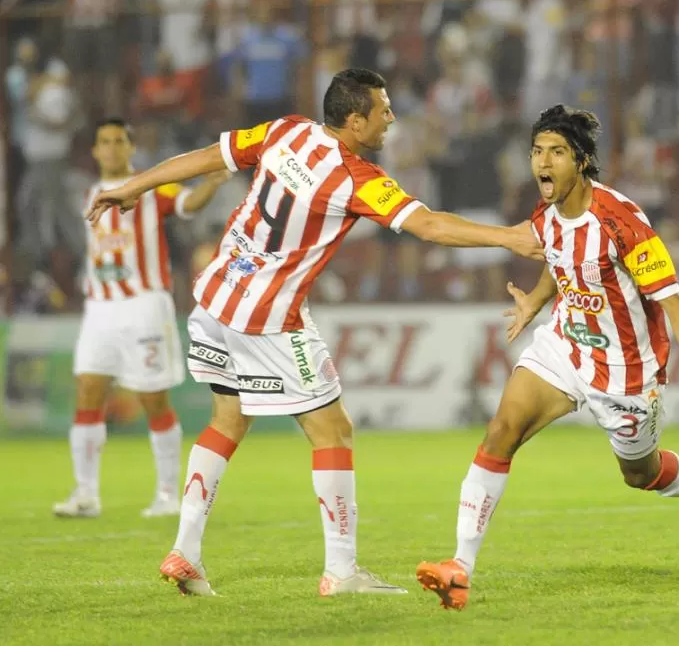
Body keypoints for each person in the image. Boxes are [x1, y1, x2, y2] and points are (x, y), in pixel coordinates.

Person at [86, 68, 542, 598]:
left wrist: (130, 188)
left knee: (227, 420)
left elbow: (207, 157)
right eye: (383, 110)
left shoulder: (287, 131)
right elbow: (431, 226)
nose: (391, 118)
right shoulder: (355, 177)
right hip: (269, 318)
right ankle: (341, 572)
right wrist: (509, 238)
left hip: (214, 297)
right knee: (334, 432)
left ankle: (185, 551)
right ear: (354, 121)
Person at [415, 105, 679, 611]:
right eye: (537, 151)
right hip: (564, 345)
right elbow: (558, 261)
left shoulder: (621, 221)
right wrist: (537, 302)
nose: (543, 161)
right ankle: (460, 568)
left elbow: (671, 297)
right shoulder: (547, 214)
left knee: (640, 474)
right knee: (501, 430)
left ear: (581, 161)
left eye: (556, 152)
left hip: (626, 369)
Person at [54, 118, 229, 519]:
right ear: (95, 151)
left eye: (120, 141)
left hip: (144, 306)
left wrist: (212, 185)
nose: (112, 148)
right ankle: (85, 493)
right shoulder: (89, 195)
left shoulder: (152, 187)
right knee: (87, 394)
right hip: (99, 308)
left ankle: (168, 495)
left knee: (153, 398)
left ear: (131, 149)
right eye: (105, 142)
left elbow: (187, 204)